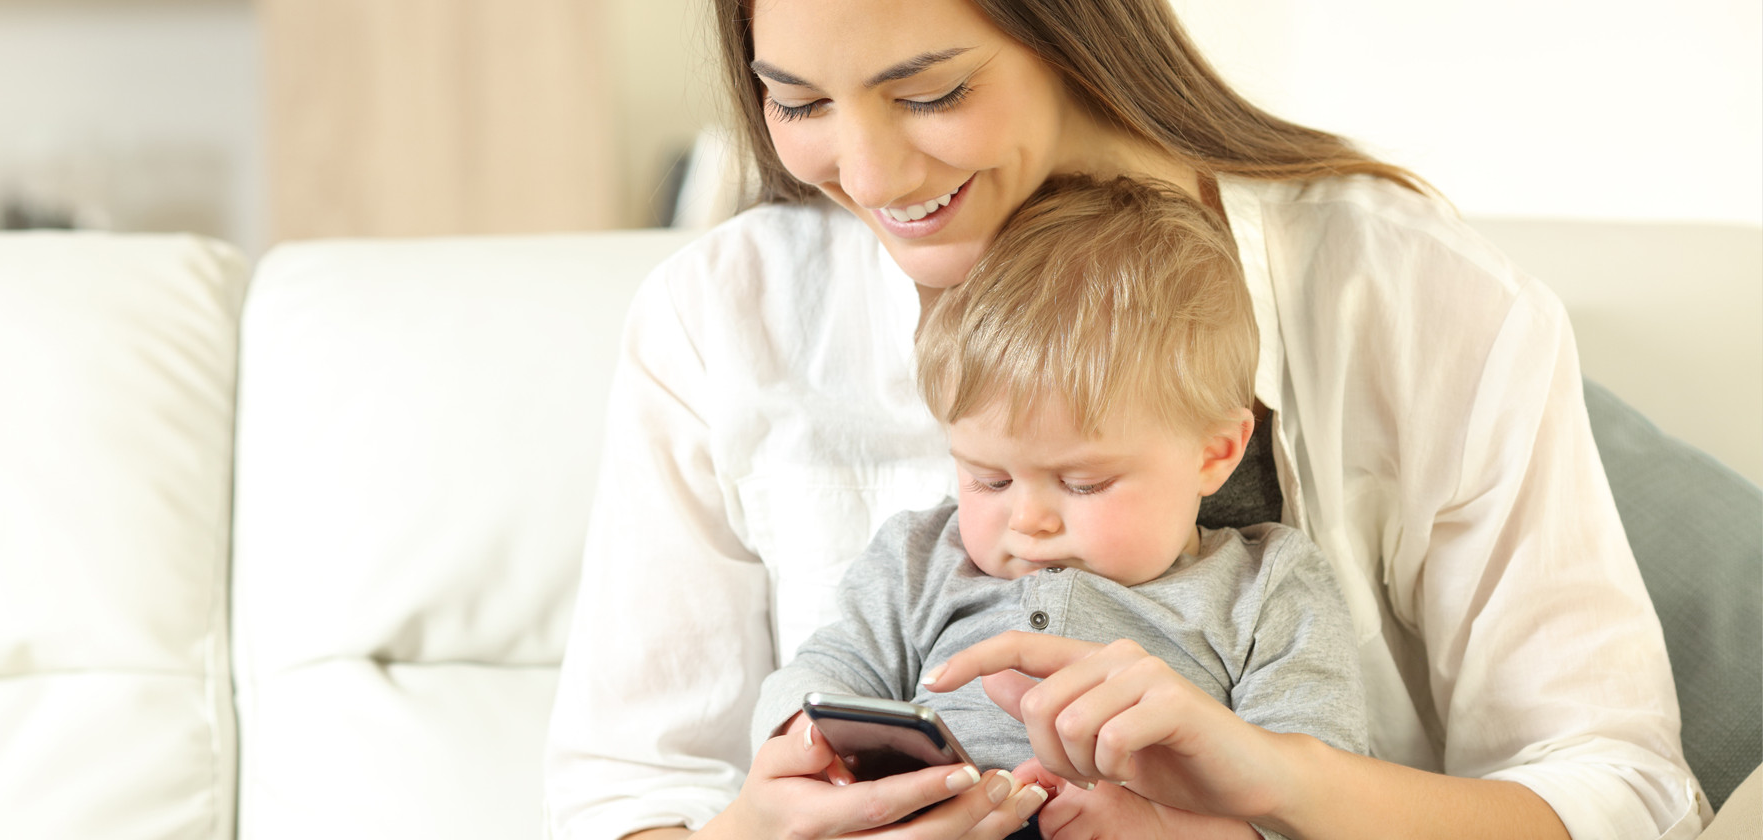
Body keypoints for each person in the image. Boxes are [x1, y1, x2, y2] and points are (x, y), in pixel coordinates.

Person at [543, 0, 1710, 837]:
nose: (867, 172)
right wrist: (762, 830)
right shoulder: (720, 317)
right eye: (795, 102)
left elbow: (1618, 790)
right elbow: (627, 793)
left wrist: (1273, 791)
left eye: (931, 91)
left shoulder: (1408, 297)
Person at [749, 174, 1366, 840]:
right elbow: (821, 676)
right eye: (989, 479)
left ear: (1215, 453)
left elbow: (1315, 792)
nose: (1029, 520)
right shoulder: (920, 558)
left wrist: (1165, 830)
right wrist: (814, 742)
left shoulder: (1266, 587)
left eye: (1083, 483)